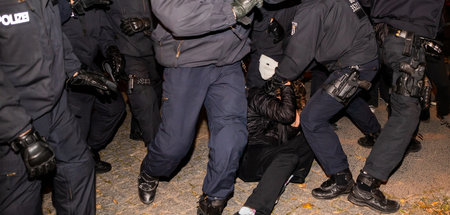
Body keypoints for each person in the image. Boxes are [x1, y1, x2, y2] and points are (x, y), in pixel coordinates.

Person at [137, 0, 263, 214]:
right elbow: (176, 16)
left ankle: (215, 196)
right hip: (186, 59)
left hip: (230, 58)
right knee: (175, 143)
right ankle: (150, 170)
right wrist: (232, 11)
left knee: (233, 133)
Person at [0, 0, 116, 213]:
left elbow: (53, 32)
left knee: (79, 168)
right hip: (16, 118)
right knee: (21, 199)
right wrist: (19, 130)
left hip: (56, 105)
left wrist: (73, 71)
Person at [268, 0, 379, 202]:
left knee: (312, 118)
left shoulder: (312, 8)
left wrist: (281, 76)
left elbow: (300, 50)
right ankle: (375, 132)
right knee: (343, 99)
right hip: (363, 57)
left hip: (354, 64)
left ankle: (341, 177)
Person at [348, 0, 445, 213]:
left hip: (383, 36)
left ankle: (404, 141)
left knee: (402, 94)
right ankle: (366, 184)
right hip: (407, 40)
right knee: (408, 112)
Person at [60, 1, 126, 173]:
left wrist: (111, 50)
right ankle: (79, 162)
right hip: (67, 73)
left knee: (115, 108)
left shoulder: (92, 4)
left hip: (90, 66)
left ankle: (89, 148)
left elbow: (103, 31)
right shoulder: (54, 9)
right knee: (79, 120)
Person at [236, 80, 315, 215]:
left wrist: (293, 127)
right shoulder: (259, 98)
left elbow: (280, 140)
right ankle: (254, 209)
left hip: (268, 155)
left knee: (313, 135)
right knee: (288, 157)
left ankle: (291, 174)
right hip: (250, 157)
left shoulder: (280, 109)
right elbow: (285, 115)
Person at [105, 0, 163, 147]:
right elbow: (100, 19)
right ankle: (156, 153)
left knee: (156, 90)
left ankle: (138, 127)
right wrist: (109, 47)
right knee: (144, 97)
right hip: (126, 50)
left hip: (157, 46)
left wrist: (146, 22)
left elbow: (172, 11)